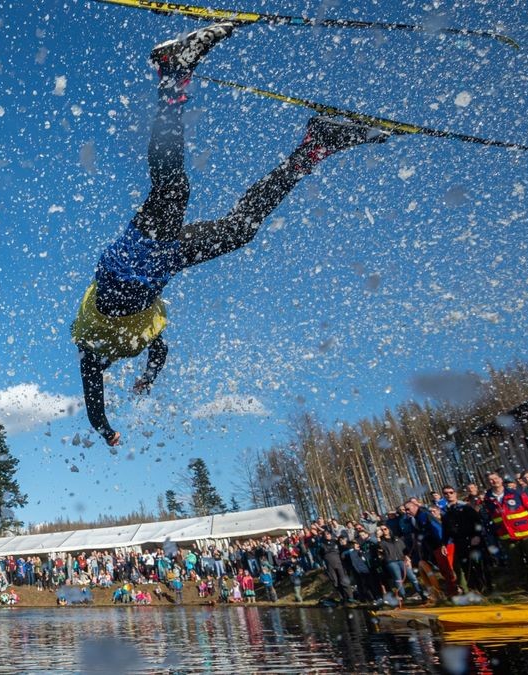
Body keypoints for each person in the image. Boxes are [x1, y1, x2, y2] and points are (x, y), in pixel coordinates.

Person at [72, 23, 392, 444]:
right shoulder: (139, 340)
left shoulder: (93, 355)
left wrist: (107, 429)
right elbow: (161, 350)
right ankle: (315, 145)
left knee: (173, 190)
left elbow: (93, 401)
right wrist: (148, 379)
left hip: (126, 273)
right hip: (161, 265)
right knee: (240, 230)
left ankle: (171, 75)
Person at [483, 470, 528, 592]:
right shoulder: (488, 499)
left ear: (501, 480)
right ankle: (525, 586)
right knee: (516, 563)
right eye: (490, 480)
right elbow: (490, 517)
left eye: (495, 478)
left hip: (527, 533)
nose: (494, 481)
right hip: (507, 537)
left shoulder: (516, 493)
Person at [440, 485, 489, 594]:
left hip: (473, 540)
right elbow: (445, 530)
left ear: (455, 493)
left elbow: (478, 522)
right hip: (459, 542)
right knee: (466, 567)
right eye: (446, 493)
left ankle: (487, 588)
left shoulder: (466, 507)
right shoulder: (445, 512)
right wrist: (443, 543)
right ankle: (474, 590)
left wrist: (477, 535)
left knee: (479, 565)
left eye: (451, 492)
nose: (449, 495)